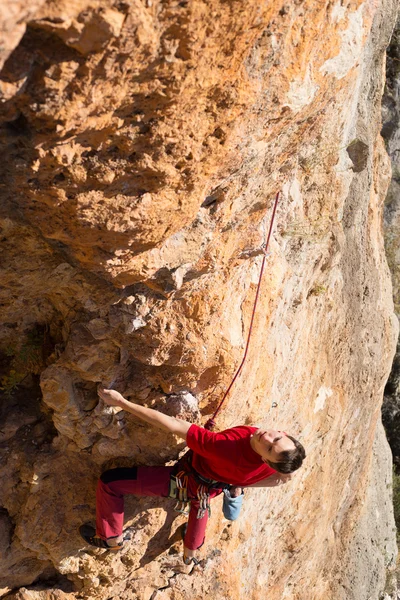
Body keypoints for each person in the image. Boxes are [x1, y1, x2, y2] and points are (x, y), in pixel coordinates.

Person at [79, 387, 306, 564]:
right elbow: (282, 478)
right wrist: (238, 482)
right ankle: (189, 555)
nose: (267, 438)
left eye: (268, 448)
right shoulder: (281, 465)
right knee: (201, 504)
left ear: (267, 460)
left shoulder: (224, 447)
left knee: (110, 483)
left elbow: (171, 424)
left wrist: (122, 403)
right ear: (284, 433)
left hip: (186, 481)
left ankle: (111, 540)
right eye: (276, 438)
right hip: (216, 486)